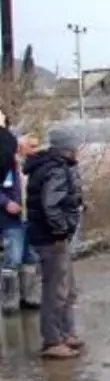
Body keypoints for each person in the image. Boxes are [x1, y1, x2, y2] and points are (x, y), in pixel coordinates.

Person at [25, 126, 85, 359]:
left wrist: (76, 203)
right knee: (55, 290)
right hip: (51, 238)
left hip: (48, 235)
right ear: (67, 147)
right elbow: (51, 204)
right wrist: (61, 229)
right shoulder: (56, 169)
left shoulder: (52, 166)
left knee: (66, 288)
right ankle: (52, 340)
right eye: (75, 145)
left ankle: (65, 333)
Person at [1, 132, 38, 314]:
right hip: (11, 220)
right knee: (12, 258)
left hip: (28, 217)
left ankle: (28, 297)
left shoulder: (30, 166)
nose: (34, 150)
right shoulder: (6, 163)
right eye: (30, 146)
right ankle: (9, 301)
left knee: (29, 258)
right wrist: (6, 202)